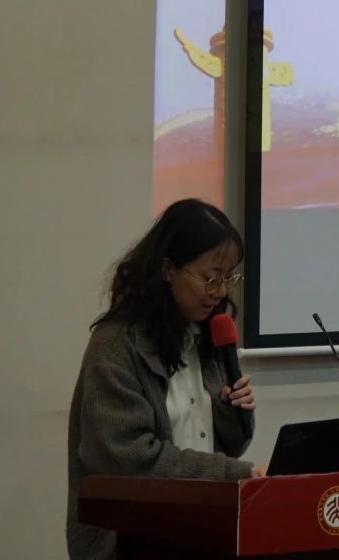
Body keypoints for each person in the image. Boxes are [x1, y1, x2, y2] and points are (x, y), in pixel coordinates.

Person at [66, 199, 265, 560]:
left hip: (202, 530)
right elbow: (127, 459)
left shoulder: (208, 335)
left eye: (229, 277)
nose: (221, 291)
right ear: (168, 269)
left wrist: (229, 409)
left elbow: (224, 444)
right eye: (210, 277)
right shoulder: (116, 344)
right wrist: (233, 475)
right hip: (132, 541)